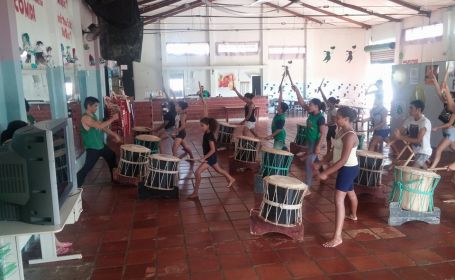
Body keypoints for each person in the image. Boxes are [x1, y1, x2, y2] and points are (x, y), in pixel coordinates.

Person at [1, 120, 73, 255]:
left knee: (43, 211)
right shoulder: (10, 153)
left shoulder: (14, 150)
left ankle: (55, 244)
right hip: (12, 203)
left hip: (22, 196)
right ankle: (54, 246)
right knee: (42, 210)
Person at [318, 107, 359, 248]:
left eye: (338, 117)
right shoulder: (340, 130)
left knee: (338, 199)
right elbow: (333, 151)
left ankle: (337, 237)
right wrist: (322, 162)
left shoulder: (350, 136)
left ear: (346, 119)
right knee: (350, 193)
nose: (336, 119)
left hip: (348, 169)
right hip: (345, 168)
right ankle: (353, 215)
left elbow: (342, 160)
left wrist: (326, 172)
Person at [190, 99, 235, 199]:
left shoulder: (210, 136)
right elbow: (205, 117)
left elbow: (213, 150)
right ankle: (231, 178)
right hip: (211, 157)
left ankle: (195, 193)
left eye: (202, 126)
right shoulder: (207, 131)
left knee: (197, 172)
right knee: (218, 170)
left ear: (208, 126)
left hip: (210, 157)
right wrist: (204, 104)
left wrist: (204, 158)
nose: (200, 127)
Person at [77, 97, 121, 187]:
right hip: (93, 149)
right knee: (87, 168)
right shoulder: (85, 118)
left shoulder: (93, 116)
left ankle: (115, 178)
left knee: (112, 156)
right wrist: (113, 119)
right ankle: (75, 187)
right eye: (95, 106)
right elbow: (100, 125)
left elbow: (103, 128)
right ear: (89, 106)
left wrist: (114, 135)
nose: (96, 108)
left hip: (100, 146)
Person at [292, 84, 327, 193]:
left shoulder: (320, 118)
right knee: (314, 160)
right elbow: (302, 103)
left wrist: (318, 146)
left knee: (308, 163)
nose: (309, 106)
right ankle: (321, 171)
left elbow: (323, 133)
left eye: (311, 104)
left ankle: (307, 187)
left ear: (316, 106)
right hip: (310, 142)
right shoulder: (312, 112)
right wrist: (297, 90)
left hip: (315, 143)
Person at [393, 100, 432, 169]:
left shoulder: (425, 122)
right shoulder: (409, 120)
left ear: (418, 109)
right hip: (416, 151)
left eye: (411, 108)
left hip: (424, 152)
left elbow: (418, 140)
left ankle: (430, 176)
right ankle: (432, 177)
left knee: (413, 170)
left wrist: (400, 137)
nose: (409, 110)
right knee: (424, 168)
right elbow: (400, 131)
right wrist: (394, 137)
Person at [428, 70, 455, 170]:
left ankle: (432, 168)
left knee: (438, 149)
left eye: (448, 96)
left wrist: (437, 127)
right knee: (453, 148)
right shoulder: (446, 103)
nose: (445, 96)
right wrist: (434, 80)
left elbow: (449, 124)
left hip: (452, 132)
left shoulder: (453, 108)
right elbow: (440, 93)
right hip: (447, 132)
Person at [264, 84, 289, 150]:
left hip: (280, 136)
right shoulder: (279, 113)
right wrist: (281, 91)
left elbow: (279, 129)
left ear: (281, 109)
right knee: (281, 146)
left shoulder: (281, 118)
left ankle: (285, 155)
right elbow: (280, 100)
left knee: (276, 150)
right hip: (278, 136)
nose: (277, 106)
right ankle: (286, 150)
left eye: (278, 106)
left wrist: (270, 136)